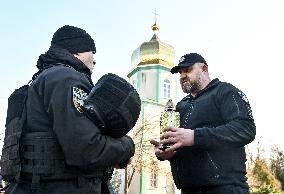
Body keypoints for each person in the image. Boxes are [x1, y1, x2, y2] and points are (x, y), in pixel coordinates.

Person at [2, 25, 135, 194]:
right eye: (91, 52)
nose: (94, 60)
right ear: (77, 51)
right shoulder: (66, 78)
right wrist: (128, 145)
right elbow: (86, 150)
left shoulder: (41, 80)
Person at [150, 53, 256, 194]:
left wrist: (195, 136)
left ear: (204, 69)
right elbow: (183, 144)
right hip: (188, 189)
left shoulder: (225, 91)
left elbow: (245, 129)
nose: (182, 76)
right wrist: (167, 153)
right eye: (180, 72)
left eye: (187, 70)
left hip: (225, 188)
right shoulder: (181, 106)